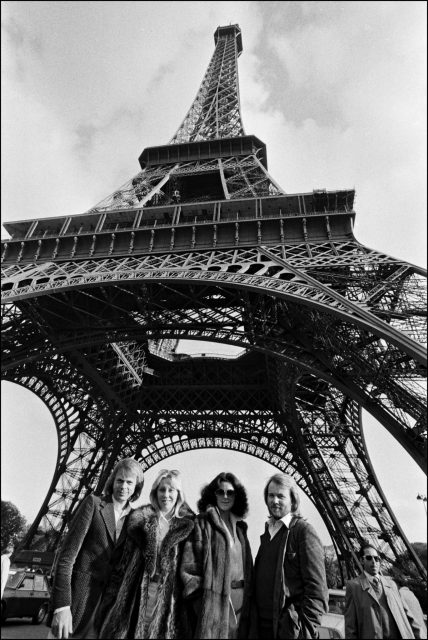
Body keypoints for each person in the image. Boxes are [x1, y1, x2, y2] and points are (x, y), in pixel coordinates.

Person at [48, 457, 144, 639]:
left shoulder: (135, 518)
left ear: (136, 487)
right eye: (120, 480)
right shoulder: (93, 504)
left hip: (106, 611)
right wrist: (61, 606)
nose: (124, 486)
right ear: (112, 481)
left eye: (129, 482)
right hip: (76, 602)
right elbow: (66, 557)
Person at [99, 469, 194, 639]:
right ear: (155, 492)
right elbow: (121, 565)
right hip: (136, 596)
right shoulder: (139, 521)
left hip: (171, 601)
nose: (166, 494)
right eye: (161, 489)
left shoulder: (190, 526)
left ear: (178, 493)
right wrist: (108, 605)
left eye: (171, 490)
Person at [253, 473, 328, 639]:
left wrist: (303, 633)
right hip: (261, 629)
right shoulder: (268, 534)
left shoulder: (303, 531)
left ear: (293, 501)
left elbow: (317, 592)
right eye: (271, 495)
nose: (275, 501)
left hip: (288, 632)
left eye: (281, 496)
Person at [181, 471, 253, 639]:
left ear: (237, 496)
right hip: (214, 611)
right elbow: (189, 570)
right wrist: (205, 606)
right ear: (213, 495)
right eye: (220, 491)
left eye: (230, 492)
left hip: (242, 609)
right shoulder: (202, 524)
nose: (225, 496)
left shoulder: (241, 529)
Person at [344, 541, 426, 639]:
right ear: (361, 560)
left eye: (376, 558)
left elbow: (408, 615)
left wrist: (419, 636)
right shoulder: (353, 586)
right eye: (369, 558)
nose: (374, 562)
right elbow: (350, 627)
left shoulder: (391, 584)